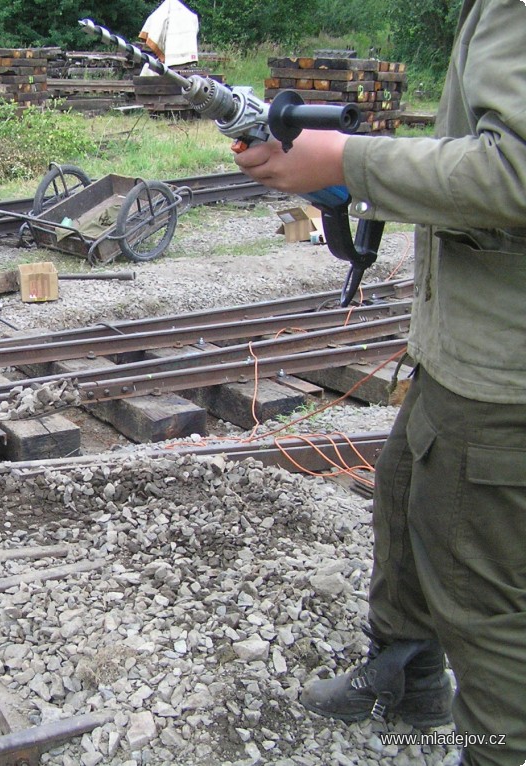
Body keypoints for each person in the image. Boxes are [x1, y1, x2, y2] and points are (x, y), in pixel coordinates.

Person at [234, 1, 526, 763]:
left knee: (484, 599)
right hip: (464, 350)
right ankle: (407, 682)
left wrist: (350, 162)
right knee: (403, 498)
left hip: (504, 376)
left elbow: (516, 170)